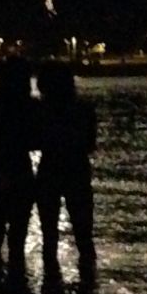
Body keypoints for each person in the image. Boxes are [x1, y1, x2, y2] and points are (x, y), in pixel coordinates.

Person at [35, 61, 97, 281]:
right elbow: (90, 144)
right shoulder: (83, 110)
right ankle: (88, 285)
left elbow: (34, 140)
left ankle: (50, 284)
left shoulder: (40, 111)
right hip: (77, 169)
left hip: (49, 170)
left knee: (49, 236)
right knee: (84, 235)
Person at [0, 58, 37, 277]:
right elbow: (35, 139)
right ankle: (17, 281)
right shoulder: (30, 106)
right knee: (17, 236)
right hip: (20, 169)